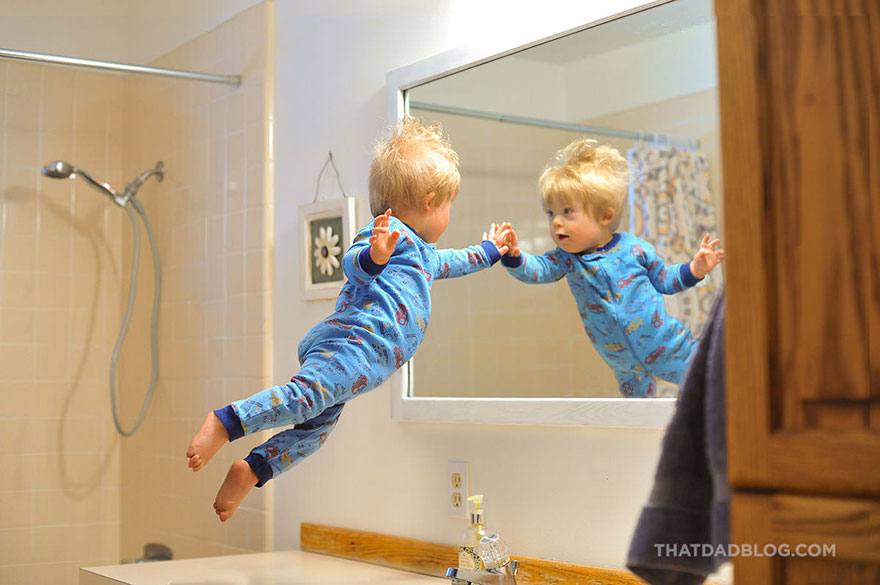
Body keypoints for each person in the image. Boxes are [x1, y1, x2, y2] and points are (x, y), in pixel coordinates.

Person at [187, 117, 510, 521]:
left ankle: (253, 469)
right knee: (303, 400)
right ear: (430, 202)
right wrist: (375, 256)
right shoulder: (387, 233)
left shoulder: (425, 255)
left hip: (359, 366)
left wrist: (491, 249)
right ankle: (226, 422)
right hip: (348, 347)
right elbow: (353, 265)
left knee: (314, 432)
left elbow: (458, 260)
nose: (448, 216)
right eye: (449, 206)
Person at [501, 138, 723, 397]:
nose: (556, 223)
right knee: (633, 417)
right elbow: (536, 270)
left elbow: (666, 280)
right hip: (622, 363)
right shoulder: (566, 259)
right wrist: (514, 256)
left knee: (711, 383)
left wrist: (695, 268)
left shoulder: (634, 249)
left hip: (665, 344)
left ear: (606, 216)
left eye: (567, 212)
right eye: (551, 213)